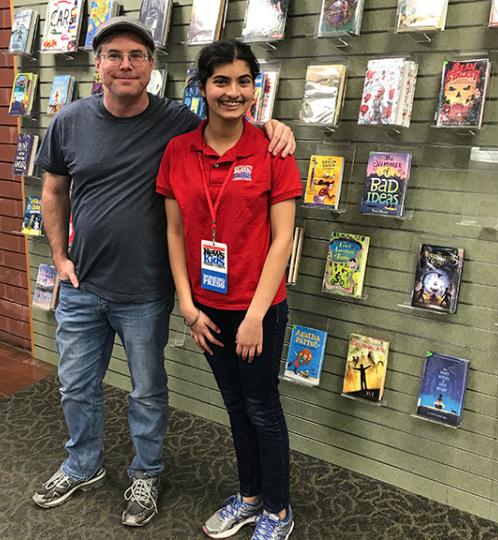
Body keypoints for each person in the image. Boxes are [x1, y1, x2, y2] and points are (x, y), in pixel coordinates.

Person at [31, 17, 296, 528]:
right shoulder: (74, 123)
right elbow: (53, 192)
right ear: (98, 64)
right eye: (114, 54)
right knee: (75, 386)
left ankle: (150, 476)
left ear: (152, 66)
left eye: (137, 55)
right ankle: (82, 464)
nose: (125, 64)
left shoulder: (176, 123)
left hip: (148, 292)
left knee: (153, 392)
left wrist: (273, 125)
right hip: (89, 285)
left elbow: (235, 120)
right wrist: (60, 259)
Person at [156, 40, 301, 539]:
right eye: (221, 81)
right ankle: (250, 495)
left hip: (259, 308)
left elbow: (283, 238)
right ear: (201, 88)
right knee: (235, 406)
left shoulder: (272, 149)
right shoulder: (178, 151)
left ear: (255, 88)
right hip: (207, 309)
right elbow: (174, 232)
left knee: (262, 405)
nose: (233, 92)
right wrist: (187, 304)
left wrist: (257, 315)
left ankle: (278, 511)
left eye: (244, 81)